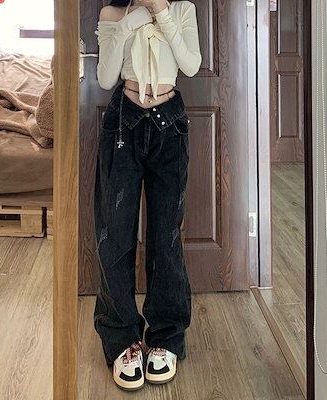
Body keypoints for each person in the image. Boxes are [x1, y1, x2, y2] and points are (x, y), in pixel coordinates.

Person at [93, 0, 201, 391]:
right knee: (115, 234)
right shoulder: (112, 13)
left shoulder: (183, 9)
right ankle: (121, 336)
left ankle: (166, 335)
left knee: (165, 236)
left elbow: (191, 65)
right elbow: (106, 78)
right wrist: (130, 22)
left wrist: (162, 13)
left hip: (169, 124)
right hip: (124, 121)